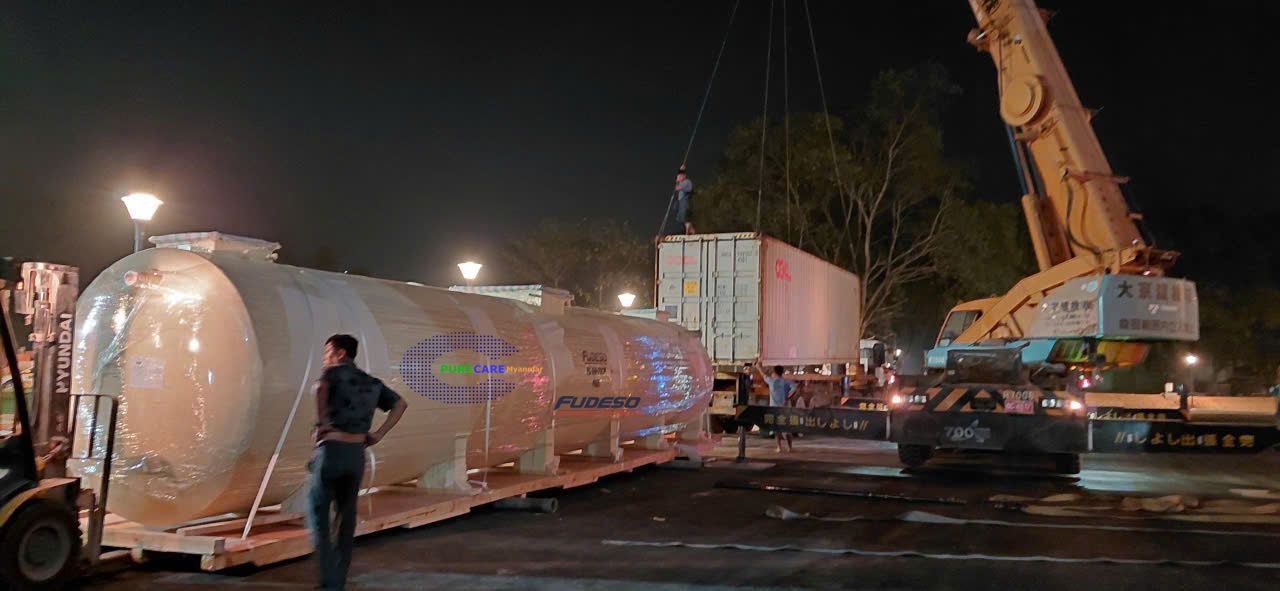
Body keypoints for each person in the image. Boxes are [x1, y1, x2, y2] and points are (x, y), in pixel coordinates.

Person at [307, 334, 408, 591]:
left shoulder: (332, 373)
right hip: (356, 455)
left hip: (331, 452)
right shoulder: (372, 382)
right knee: (346, 517)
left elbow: (318, 388)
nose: (325, 358)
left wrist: (322, 423)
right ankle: (339, 580)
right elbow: (400, 404)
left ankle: (329, 581)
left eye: (328, 352)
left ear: (341, 353)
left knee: (318, 515)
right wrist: (378, 434)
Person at [753, 364, 797, 453]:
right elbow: (794, 389)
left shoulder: (771, 381)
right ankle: (790, 447)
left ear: (775, 372)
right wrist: (787, 398)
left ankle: (779, 447)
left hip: (774, 409)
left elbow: (763, 375)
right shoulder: (786, 382)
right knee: (787, 429)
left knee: (776, 429)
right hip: (785, 409)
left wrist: (758, 367)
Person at [673, 166, 695, 235]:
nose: (679, 178)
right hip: (680, 201)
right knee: (680, 217)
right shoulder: (680, 183)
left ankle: (688, 227)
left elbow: (689, 189)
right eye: (678, 177)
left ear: (684, 176)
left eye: (680, 176)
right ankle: (691, 229)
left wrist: (680, 188)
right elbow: (677, 188)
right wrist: (680, 170)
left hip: (685, 200)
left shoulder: (687, 182)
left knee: (684, 215)